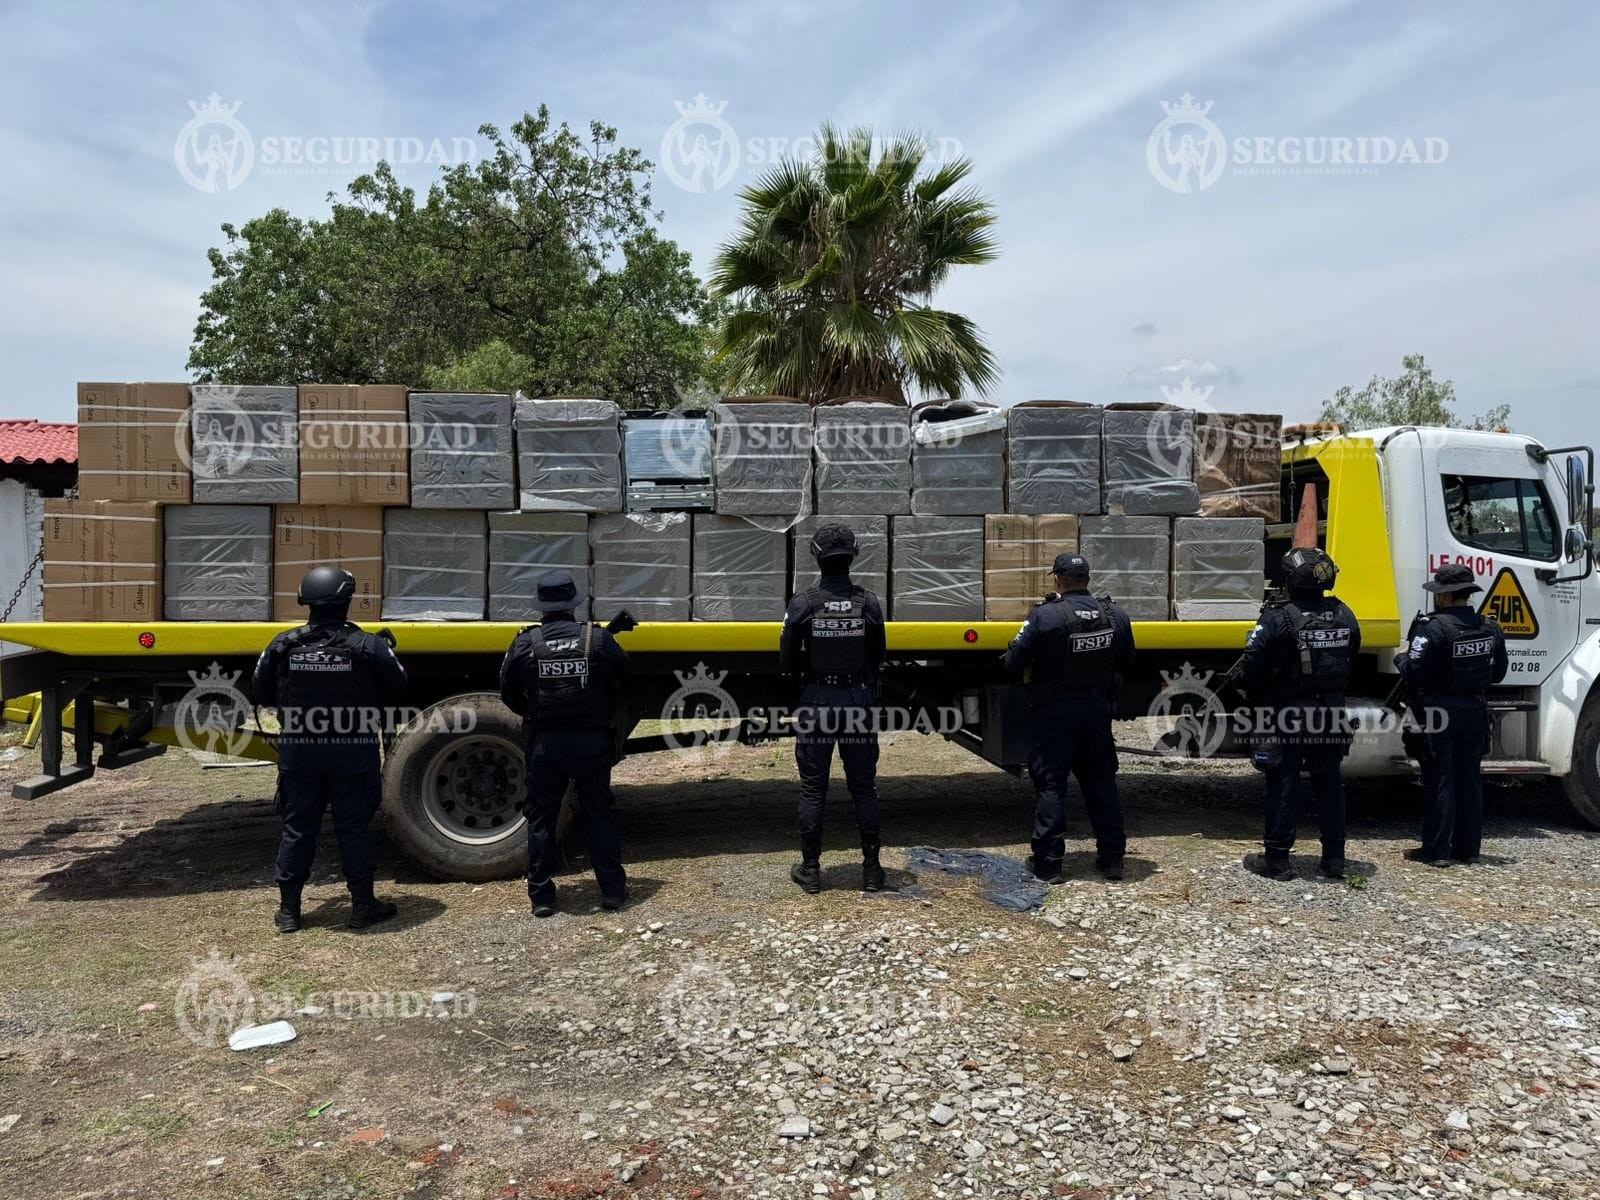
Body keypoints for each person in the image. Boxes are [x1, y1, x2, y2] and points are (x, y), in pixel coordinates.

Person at [252, 566, 408, 933]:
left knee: (297, 828)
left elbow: (260, 692)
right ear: (346, 600)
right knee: (353, 827)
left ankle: (289, 911)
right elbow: (399, 688)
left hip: (300, 751)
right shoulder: (369, 645)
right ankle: (362, 907)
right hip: (352, 750)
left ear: (307, 601)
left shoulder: (283, 644)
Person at [499, 570, 633, 917]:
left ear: (541, 607)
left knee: (541, 818)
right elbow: (626, 676)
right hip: (591, 742)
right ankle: (613, 892)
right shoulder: (598, 640)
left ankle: (542, 897)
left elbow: (509, 695)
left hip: (546, 744)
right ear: (574, 604)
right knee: (598, 814)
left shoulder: (525, 643)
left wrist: (535, 712)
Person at [1003, 553, 1135, 883]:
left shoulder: (1045, 616)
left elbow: (1013, 662)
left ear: (1058, 580)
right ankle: (1113, 860)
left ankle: (1049, 864)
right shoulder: (1115, 614)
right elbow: (1128, 660)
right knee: (1102, 782)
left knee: (1051, 784)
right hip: (1096, 710)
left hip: (1056, 712)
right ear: (1087, 579)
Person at [1234, 547, 1361, 881]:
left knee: (1284, 782)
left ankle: (1278, 861)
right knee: (1330, 785)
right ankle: (1334, 860)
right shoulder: (1345, 614)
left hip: (1288, 713)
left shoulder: (1278, 618)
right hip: (1332, 712)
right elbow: (1352, 656)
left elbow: (1251, 667)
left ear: (1290, 580)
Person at [780, 522, 888, 894]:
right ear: (853, 556)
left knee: (813, 789)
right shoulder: (868, 602)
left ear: (816, 557)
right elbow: (879, 659)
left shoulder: (802, 603)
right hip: (857, 700)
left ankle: (811, 870)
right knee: (864, 788)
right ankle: (872, 871)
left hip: (817, 701)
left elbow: (787, 661)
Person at [1395, 564, 1507, 867]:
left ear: (1444, 597)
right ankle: (1469, 850)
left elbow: (1414, 672)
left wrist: (1400, 658)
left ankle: (1437, 851)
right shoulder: (1489, 627)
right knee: (1469, 781)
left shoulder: (1431, 628)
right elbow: (1498, 674)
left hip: (1439, 713)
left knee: (1440, 779)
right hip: (1475, 710)